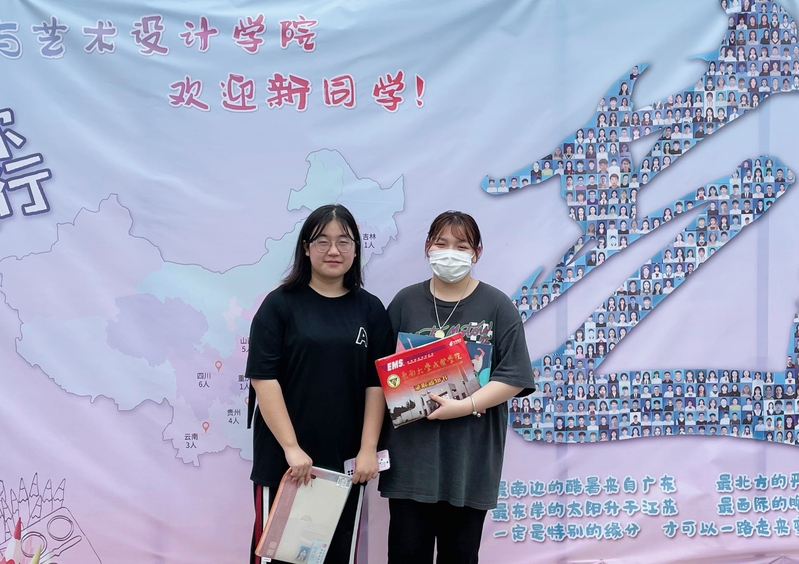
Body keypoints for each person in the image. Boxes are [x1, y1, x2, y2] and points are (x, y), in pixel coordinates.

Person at [379, 211, 536, 564]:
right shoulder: (405, 302)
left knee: (460, 556)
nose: (450, 252)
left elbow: (514, 376)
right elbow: (382, 376)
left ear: (476, 252)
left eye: (461, 246)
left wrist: (464, 407)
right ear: (427, 247)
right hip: (413, 460)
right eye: (441, 243)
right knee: (406, 555)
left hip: (470, 460)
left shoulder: (498, 306)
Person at [246, 204, 393, 564]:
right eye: (322, 241)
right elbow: (264, 379)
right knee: (278, 557)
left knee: (337, 556)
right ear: (306, 248)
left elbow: (377, 384)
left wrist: (368, 449)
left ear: (356, 249)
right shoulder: (279, 305)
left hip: (344, 465)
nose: (333, 250)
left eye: (344, 241)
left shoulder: (370, 309)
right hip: (286, 463)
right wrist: (291, 448)